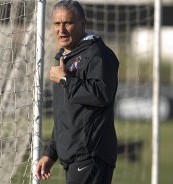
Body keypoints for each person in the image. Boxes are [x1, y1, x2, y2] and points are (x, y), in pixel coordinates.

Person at [36, 1, 119, 184]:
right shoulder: (65, 59)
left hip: (91, 155)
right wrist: (51, 153)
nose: (62, 30)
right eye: (57, 24)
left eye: (68, 23)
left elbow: (101, 94)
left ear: (83, 24)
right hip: (75, 157)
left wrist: (66, 79)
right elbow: (66, 115)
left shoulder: (98, 54)